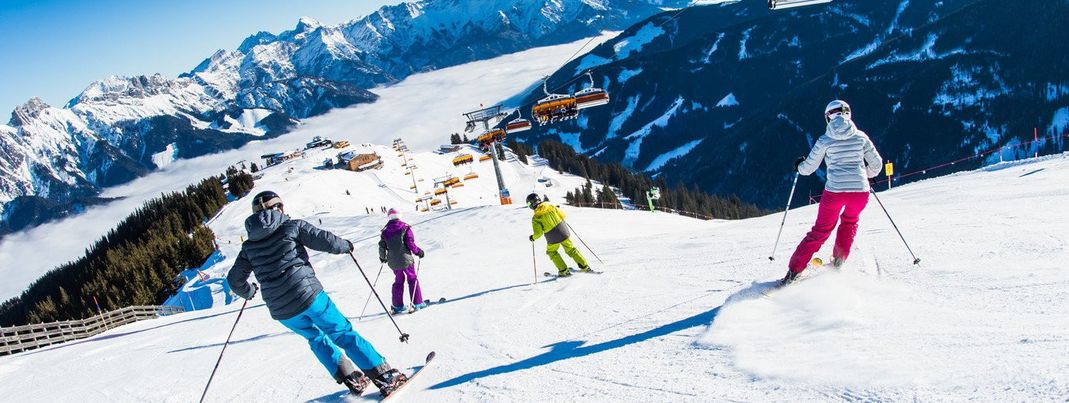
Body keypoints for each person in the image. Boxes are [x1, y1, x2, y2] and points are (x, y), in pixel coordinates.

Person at [227, 191, 406, 396]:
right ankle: (384, 377)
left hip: (281, 310)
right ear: (279, 208)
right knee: (341, 332)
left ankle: (352, 379)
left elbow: (234, 280)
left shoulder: (248, 247)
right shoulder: (292, 226)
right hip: (308, 294)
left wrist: (249, 291)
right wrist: (345, 246)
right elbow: (324, 240)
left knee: (316, 338)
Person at [784, 100, 883, 286]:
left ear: (828, 117)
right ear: (848, 113)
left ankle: (793, 272)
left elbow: (808, 169)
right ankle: (838, 263)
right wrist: (863, 175)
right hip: (860, 193)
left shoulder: (825, 140)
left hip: (835, 192)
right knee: (850, 222)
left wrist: (799, 166)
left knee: (820, 230)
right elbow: (877, 165)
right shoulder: (861, 137)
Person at [527, 193, 591, 277]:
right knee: (571, 249)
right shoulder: (551, 206)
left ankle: (563, 270)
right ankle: (584, 267)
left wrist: (533, 237)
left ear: (531, 204)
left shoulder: (536, 217)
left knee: (552, 252)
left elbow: (538, 233)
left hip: (552, 236)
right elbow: (563, 215)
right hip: (564, 231)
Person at [378, 208, 426, 313]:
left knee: (398, 280)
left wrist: (383, 258)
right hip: (406, 260)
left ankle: (397, 306)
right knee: (412, 278)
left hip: (393, 262)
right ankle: (417, 302)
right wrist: (418, 252)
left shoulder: (385, 231)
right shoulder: (405, 228)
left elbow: (382, 246)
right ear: (400, 216)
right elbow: (410, 243)